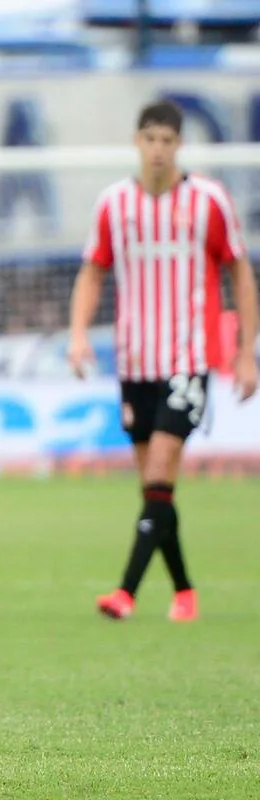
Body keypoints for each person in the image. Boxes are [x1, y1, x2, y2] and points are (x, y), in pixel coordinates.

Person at [67, 99, 258, 622]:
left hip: (187, 358)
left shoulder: (208, 201)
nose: (158, 150)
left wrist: (246, 352)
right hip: (135, 362)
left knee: (159, 469)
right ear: (137, 142)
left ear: (179, 145)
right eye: (150, 139)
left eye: (167, 141)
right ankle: (185, 592)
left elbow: (240, 272)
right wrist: (78, 335)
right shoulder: (114, 204)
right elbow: (93, 271)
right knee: (156, 488)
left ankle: (125, 593)